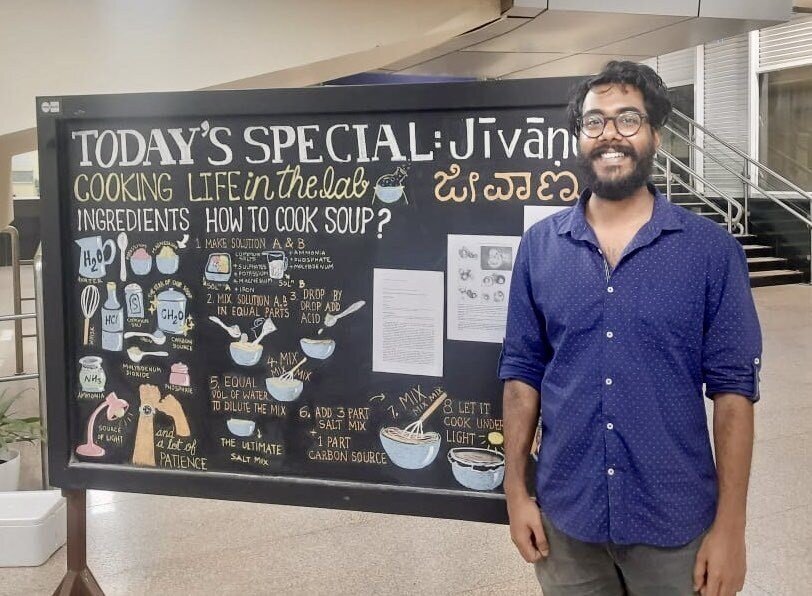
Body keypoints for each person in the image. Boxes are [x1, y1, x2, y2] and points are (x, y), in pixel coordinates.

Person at [498, 61, 762, 596]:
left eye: (627, 119)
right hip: (565, 520)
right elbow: (522, 372)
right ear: (579, 137)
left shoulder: (712, 252)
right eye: (594, 122)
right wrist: (516, 492)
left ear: (655, 136)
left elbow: (735, 394)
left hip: (675, 522)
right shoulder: (540, 247)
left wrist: (731, 529)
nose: (610, 134)